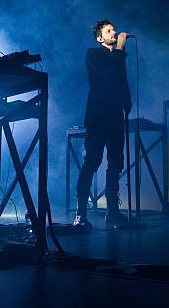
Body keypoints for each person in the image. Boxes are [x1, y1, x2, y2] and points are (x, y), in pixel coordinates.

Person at [73, 20, 132, 228]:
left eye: (114, 29)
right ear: (100, 37)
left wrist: (127, 103)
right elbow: (108, 75)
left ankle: (113, 212)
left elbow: (121, 80)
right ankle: (80, 213)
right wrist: (121, 49)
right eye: (109, 31)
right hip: (98, 116)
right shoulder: (94, 54)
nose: (114, 32)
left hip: (116, 116)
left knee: (115, 162)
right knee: (92, 161)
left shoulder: (117, 56)